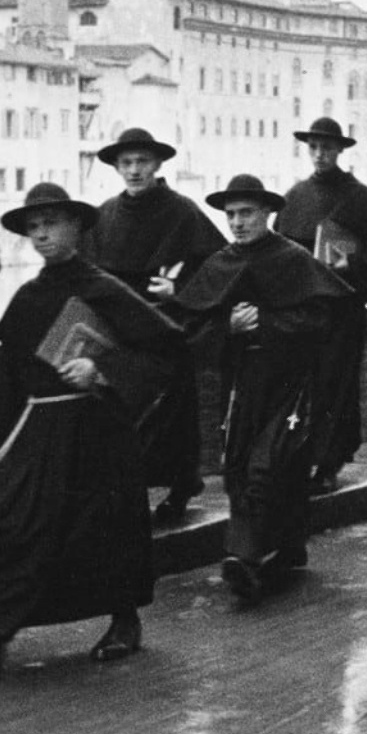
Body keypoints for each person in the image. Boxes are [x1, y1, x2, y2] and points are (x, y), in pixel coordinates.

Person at [0, 183, 179, 676]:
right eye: (34, 227)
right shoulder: (28, 296)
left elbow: (165, 349)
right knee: (13, 523)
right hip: (38, 430)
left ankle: (124, 621)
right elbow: (10, 376)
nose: (41, 235)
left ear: (77, 229)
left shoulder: (102, 288)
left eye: (52, 224)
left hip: (95, 431)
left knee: (103, 530)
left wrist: (102, 371)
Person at [174, 175, 351, 603]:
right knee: (238, 465)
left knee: (269, 465)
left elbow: (325, 318)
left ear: (267, 214)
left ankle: (244, 556)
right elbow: (188, 329)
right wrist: (226, 327)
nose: (237, 222)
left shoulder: (292, 259)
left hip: (289, 383)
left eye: (247, 213)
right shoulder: (219, 265)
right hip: (241, 383)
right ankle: (285, 547)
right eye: (231, 214)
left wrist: (267, 323)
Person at [81, 127, 225, 523]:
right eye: (126, 163)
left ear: (158, 164)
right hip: (121, 336)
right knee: (124, 417)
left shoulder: (182, 211)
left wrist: (178, 289)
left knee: (173, 417)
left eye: (142, 162)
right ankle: (130, 493)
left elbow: (218, 268)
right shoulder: (105, 215)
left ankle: (181, 486)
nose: (134, 170)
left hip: (165, 329)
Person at [275, 116, 367, 494]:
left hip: (341, 310)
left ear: (340, 151)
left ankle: (329, 462)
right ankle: (299, 456)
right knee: (300, 384)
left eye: (327, 148)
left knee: (335, 386)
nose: (320, 154)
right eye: (314, 147)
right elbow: (280, 248)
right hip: (302, 308)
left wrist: (356, 267)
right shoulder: (295, 196)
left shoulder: (359, 196)